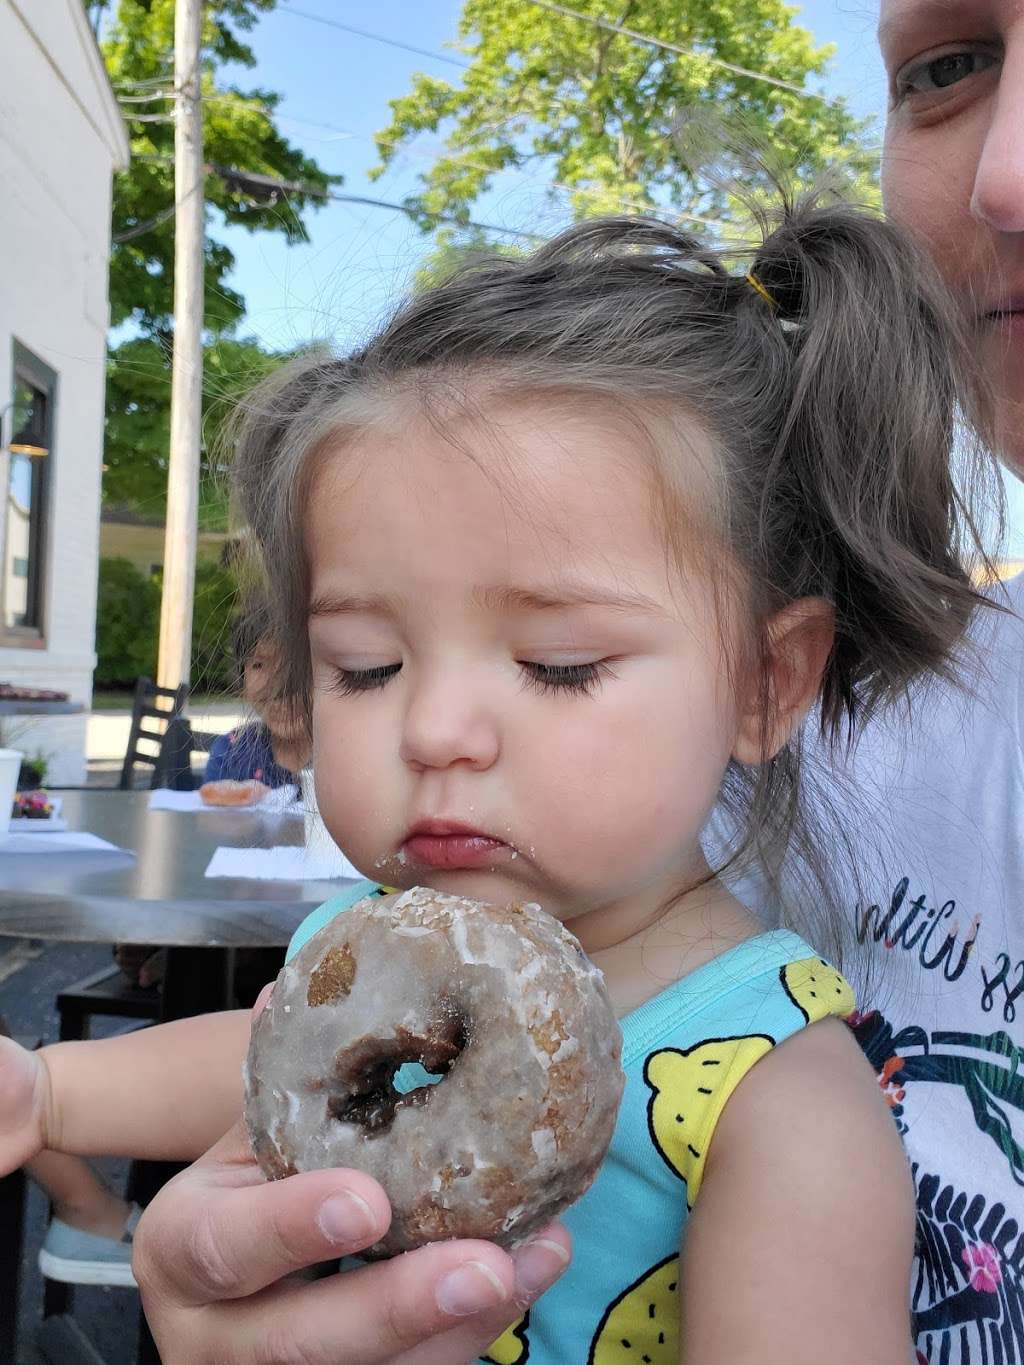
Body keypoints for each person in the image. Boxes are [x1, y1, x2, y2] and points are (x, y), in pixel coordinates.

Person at [0, 186, 994, 1362]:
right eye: (367, 667)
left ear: (763, 687)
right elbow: (263, 1063)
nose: (435, 730)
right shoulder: (367, 943)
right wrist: (48, 1095)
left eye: (558, 665)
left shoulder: (782, 1100)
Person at [203, 601, 310, 787]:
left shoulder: (348, 757)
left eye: (295, 662)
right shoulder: (229, 754)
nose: (278, 682)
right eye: (258, 664)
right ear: (242, 681)